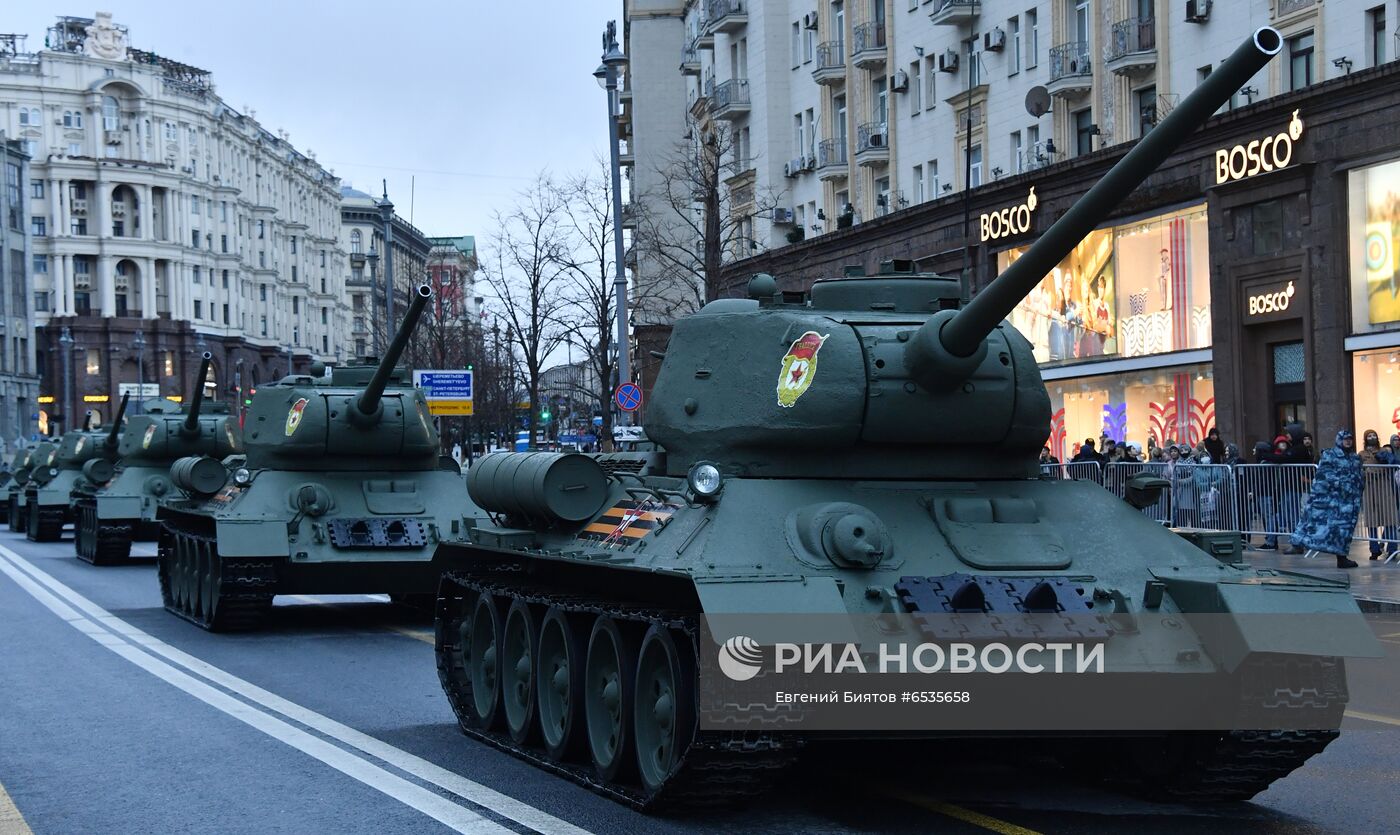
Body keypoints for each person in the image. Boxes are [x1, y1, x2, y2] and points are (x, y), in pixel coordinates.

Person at [1292, 430, 1364, 568]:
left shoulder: (1354, 458)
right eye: (1345, 439)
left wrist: (1358, 489)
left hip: (1349, 502)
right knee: (1320, 526)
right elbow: (1323, 475)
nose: (1348, 441)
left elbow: (1359, 476)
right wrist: (1341, 485)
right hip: (1333, 500)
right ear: (1339, 439)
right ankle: (1298, 544)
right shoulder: (1330, 455)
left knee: (1344, 531)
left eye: (1350, 439)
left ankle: (1342, 557)